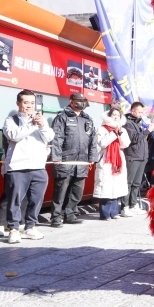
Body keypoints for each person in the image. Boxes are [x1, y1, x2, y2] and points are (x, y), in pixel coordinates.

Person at [2, 90, 53, 243]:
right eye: (26, 102)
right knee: (15, 200)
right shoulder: (11, 120)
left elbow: (49, 137)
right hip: (17, 167)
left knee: (36, 199)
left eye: (32, 103)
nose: (29, 106)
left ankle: (30, 227)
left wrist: (42, 125)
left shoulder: (40, 119)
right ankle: (14, 229)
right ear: (18, 103)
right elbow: (14, 135)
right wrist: (32, 124)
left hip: (39, 166)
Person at [50, 93, 97, 226]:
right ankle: (56, 217)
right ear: (71, 101)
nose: (82, 103)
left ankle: (70, 214)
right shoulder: (62, 117)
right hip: (65, 160)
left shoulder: (87, 119)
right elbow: (57, 138)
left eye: (84, 100)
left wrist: (92, 157)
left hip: (82, 161)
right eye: (79, 100)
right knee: (61, 191)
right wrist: (56, 157)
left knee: (77, 191)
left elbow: (93, 140)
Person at [94, 108, 131, 220]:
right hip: (106, 159)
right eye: (113, 114)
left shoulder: (122, 129)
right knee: (105, 185)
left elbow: (125, 144)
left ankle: (114, 212)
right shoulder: (102, 128)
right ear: (109, 116)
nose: (116, 117)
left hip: (118, 159)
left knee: (116, 184)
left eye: (118, 115)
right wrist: (114, 133)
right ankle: (105, 213)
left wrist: (120, 134)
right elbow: (102, 143)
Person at [121, 101, 149, 217]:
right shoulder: (128, 123)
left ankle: (133, 205)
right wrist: (148, 131)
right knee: (129, 182)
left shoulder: (139, 123)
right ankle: (125, 207)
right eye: (139, 112)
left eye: (142, 112)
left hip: (142, 156)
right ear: (133, 111)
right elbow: (134, 139)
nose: (141, 114)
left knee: (136, 183)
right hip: (132, 156)